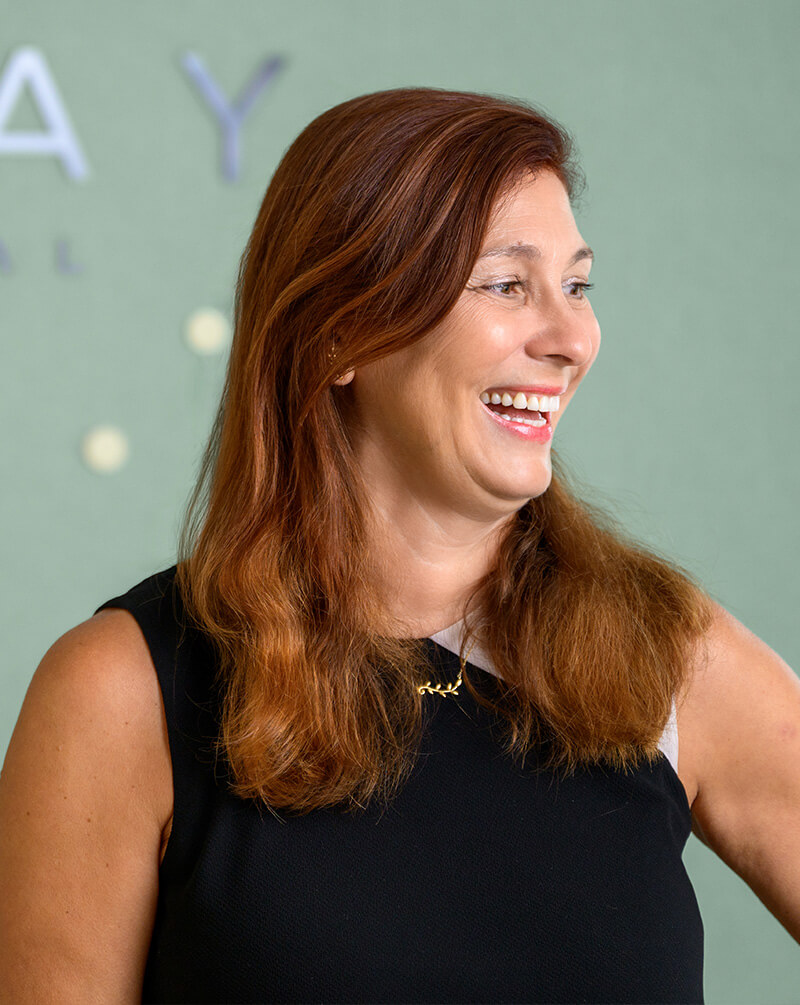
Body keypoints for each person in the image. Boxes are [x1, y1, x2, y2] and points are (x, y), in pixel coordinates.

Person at [1, 86, 798, 1005]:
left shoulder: (666, 654)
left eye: (577, 285)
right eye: (508, 284)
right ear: (342, 329)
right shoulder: (122, 691)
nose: (574, 336)